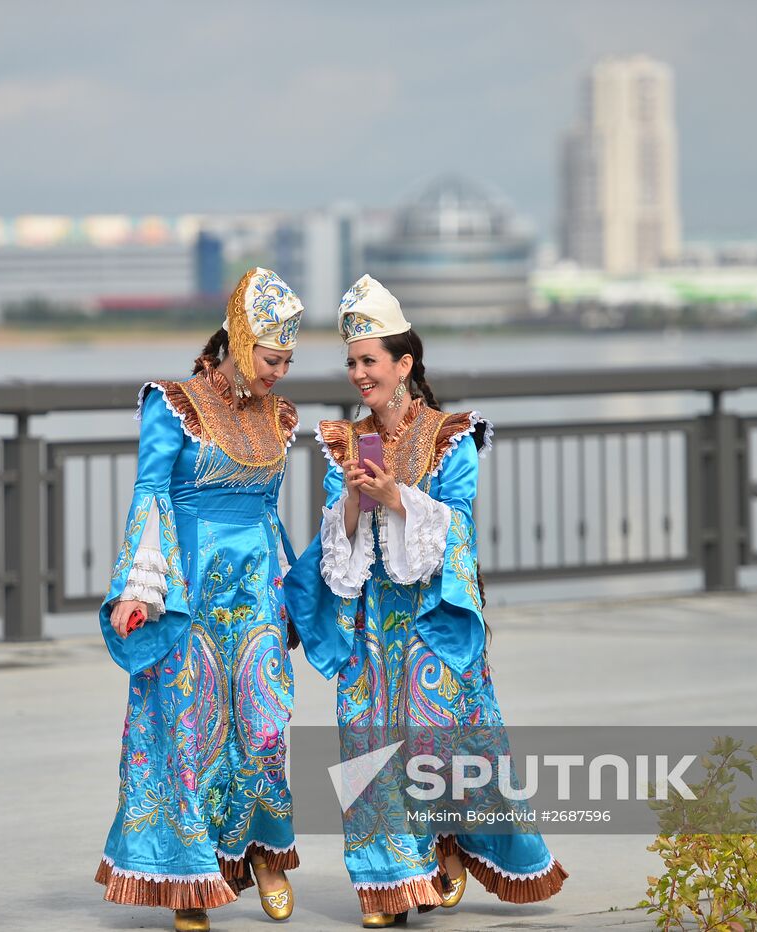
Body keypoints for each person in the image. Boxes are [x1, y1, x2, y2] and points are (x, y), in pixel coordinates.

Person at [286, 275, 568, 928]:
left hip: (429, 620)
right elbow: (338, 546)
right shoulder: (343, 443)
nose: (359, 374)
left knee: (437, 744)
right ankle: (387, 882)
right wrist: (355, 501)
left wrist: (398, 500)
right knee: (365, 744)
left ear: (404, 364)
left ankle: (449, 845)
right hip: (368, 625)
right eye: (351, 362)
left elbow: (458, 529)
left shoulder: (453, 437)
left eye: (370, 362)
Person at [94, 268, 304, 932]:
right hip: (190, 591)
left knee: (267, 726)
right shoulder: (172, 401)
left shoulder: (281, 416)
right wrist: (139, 590)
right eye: (273, 358)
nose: (279, 372)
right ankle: (188, 877)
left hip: (257, 593)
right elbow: (150, 493)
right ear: (242, 343)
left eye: (289, 361)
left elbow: (272, 513)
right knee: (192, 727)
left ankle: (266, 854)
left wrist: (294, 593)